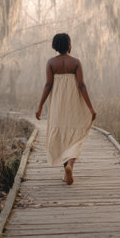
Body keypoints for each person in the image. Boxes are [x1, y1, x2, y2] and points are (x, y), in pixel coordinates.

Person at [36, 33, 96, 185]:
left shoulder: (51, 63)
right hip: (73, 104)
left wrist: (40, 106)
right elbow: (81, 85)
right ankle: (70, 165)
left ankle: (66, 171)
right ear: (69, 45)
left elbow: (48, 85)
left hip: (57, 105)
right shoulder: (76, 62)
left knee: (61, 135)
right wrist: (90, 108)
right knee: (76, 137)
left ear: (55, 46)